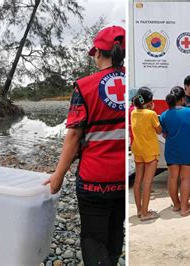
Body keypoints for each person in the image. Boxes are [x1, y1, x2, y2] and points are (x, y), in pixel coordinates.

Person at [42, 26, 126, 265]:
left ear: (97, 53)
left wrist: (58, 175)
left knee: (93, 236)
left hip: (94, 179)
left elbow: (73, 135)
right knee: (115, 229)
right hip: (124, 176)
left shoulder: (84, 86)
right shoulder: (133, 82)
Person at [160, 86, 190, 217]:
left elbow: (164, 134)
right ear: (182, 99)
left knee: (173, 178)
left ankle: (176, 205)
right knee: (186, 178)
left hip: (171, 150)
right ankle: (185, 208)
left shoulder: (164, 114)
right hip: (188, 149)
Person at [131, 87, 162, 221]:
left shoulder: (133, 112)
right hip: (150, 150)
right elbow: (159, 130)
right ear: (149, 101)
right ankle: (145, 213)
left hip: (138, 149)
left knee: (138, 181)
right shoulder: (151, 114)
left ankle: (139, 210)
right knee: (148, 183)